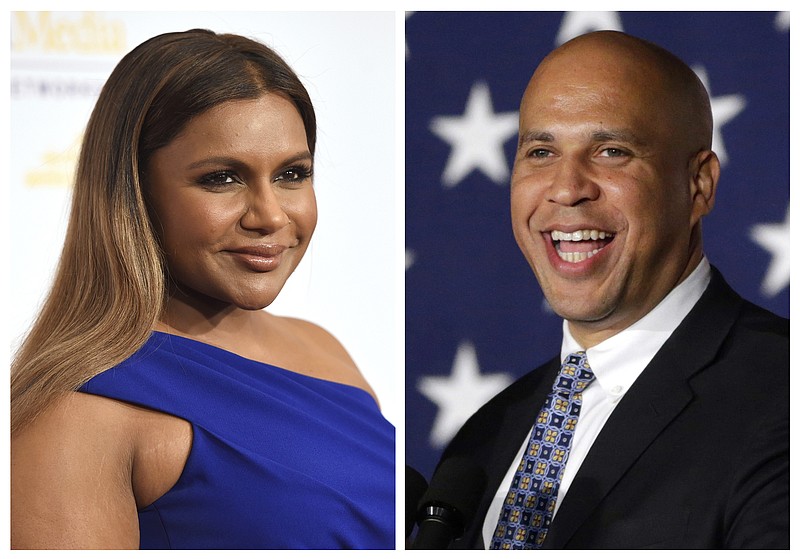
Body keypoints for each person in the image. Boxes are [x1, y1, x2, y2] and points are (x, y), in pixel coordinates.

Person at [10, 29, 395, 550]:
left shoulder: (321, 347)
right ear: (136, 191)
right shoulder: (75, 414)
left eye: (291, 173)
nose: (270, 215)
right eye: (222, 178)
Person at [432, 30, 788, 549]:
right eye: (540, 151)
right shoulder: (487, 435)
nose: (566, 187)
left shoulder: (783, 396)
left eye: (612, 151)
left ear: (699, 185)